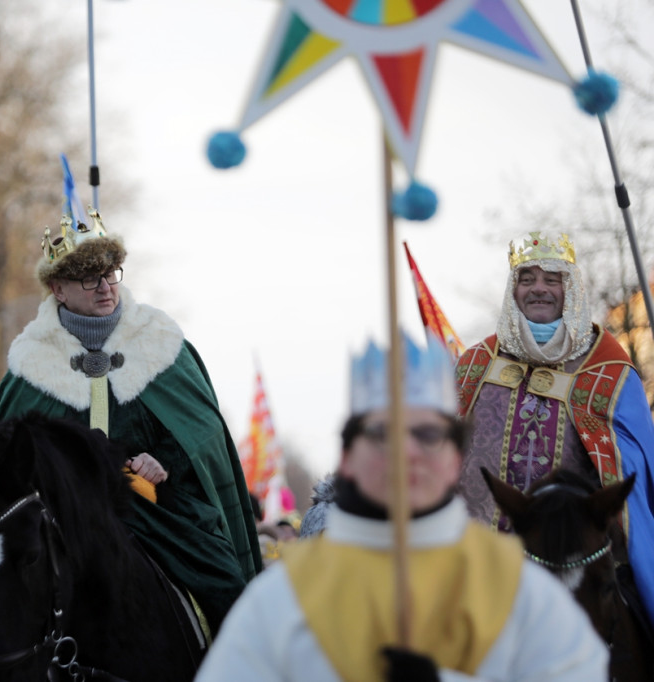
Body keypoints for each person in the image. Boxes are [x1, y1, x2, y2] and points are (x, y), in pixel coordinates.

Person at [195, 334, 608, 680]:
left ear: (454, 460)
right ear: (347, 459)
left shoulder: (525, 593)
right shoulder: (280, 600)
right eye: (381, 434)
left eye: (427, 434)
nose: (406, 452)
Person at [0, 207, 261, 637]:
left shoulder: (165, 348)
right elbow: (4, 466)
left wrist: (163, 462)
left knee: (228, 592)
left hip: (159, 511)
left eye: (110, 273)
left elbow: (202, 437)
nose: (104, 287)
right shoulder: (29, 368)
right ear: (58, 288)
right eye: (87, 277)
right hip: (60, 521)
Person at [455, 231, 654, 628]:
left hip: (578, 566)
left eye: (552, 278)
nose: (538, 289)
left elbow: (636, 468)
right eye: (526, 279)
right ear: (513, 291)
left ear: (570, 287)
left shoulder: (609, 369)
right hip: (479, 569)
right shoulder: (474, 364)